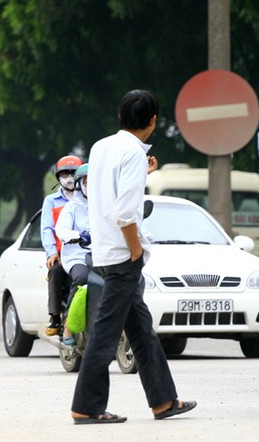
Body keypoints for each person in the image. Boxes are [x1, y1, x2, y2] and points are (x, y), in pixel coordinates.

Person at [71, 89, 196, 424]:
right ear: (153, 121)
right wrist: (136, 250)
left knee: (140, 329)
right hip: (124, 254)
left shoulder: (101, 147)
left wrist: (144, 171)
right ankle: (87, 406)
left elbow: (106, 189)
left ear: (119, 115)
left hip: (104, 251)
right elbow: (125, 211)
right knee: (104, 333)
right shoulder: (131, 153)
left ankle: (163, 401)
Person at [41, 155, 83, 336]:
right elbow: (46, 229)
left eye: (73, 173)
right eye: (64, 174)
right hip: (61, 252)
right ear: (58, 177)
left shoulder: (90, 198)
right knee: (56, 271)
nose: (69, 178)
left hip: (86, 251)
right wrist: (51, 253)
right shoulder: (52, 201)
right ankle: (56, 318)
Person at [54, 163, 91, 345]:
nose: (92, 186)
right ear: (79, 185)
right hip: (78, 257)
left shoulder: (106, 206)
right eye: (87, 182)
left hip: (102, 256)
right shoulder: (71, 208)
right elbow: (61, 230)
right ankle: (69, 325)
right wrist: (79, 236)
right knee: (82, 278)